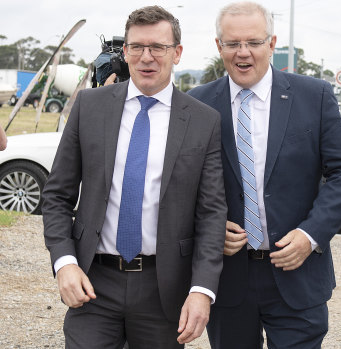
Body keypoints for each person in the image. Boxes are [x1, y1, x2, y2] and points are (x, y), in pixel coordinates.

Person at [42, 6, 227, 348]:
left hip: (164, 289)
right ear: (125, 51)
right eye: (137, 47)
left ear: (177, 53)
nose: (147, 57)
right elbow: (56, 195)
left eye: (158, 47)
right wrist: (64, 262)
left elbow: (212, 214)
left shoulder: (204, 121)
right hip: (93, 283)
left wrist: (202, 290)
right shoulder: (89, 106)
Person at [188, 2, 341, 348]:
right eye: (232, 43)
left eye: (253, 42)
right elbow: (180, 185)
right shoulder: (198, 104)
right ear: (218, 46)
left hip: (298, 273)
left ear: (272, 43)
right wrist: (206, 229)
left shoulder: (314, 96)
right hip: (228, 279)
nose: (243, 53)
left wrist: (311, 235)